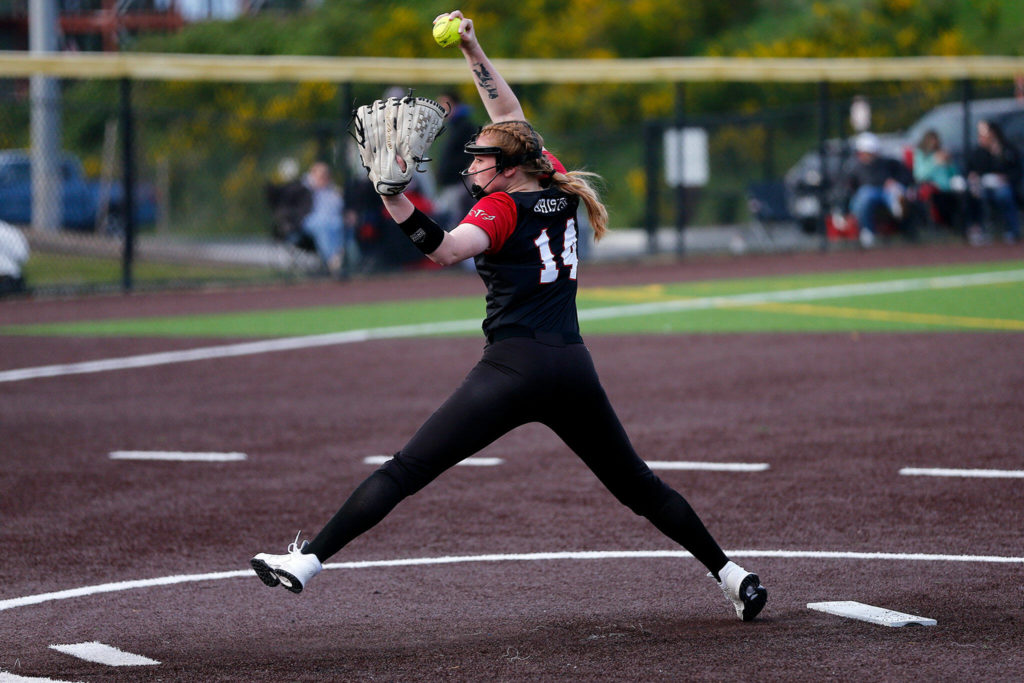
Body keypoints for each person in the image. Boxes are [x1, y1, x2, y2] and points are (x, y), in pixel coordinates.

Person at [250, 10, 768, 623]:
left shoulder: (500, 208)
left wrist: (392, 197)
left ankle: (306, 562)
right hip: (571, 366)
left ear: (508, 168)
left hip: (512, 369)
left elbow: (443, 250)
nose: (471, 165)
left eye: (480, 160)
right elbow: (509, 116)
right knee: (640, 487)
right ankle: (732, 575)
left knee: (406, 469)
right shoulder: (548, 182)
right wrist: (471, 47)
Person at [845, 131, 914, 248]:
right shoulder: (855, 168)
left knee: (895, 190)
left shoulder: (887, 162)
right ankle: (867, 230)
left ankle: (897, 207)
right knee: (865, 194)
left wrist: (895, 182)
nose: (867, 155)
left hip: (886, 192)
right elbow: (850, 188)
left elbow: (905, 175)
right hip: (867, 195)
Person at [965, 119, 1022, 245]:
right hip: (984, 186)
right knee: (975, 195)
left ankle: (1012, 230)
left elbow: (1016, 170)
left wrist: (1005, 174)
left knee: (1003, 195)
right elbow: (973, 169)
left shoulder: (1007, 148)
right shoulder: (979, 151)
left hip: (1004, 186)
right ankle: (980, 230)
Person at [435, 89, 478, 228]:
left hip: (458, 185)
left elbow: (470, 156)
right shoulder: (454, 127)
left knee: (452, 223)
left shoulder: (465, 127)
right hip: (450, 185)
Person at [300, 162, 346, 274]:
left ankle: (337, 256)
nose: (324, 178)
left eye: (326, 175)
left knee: (338, 223)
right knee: (322, 225)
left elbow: (338, 208)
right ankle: (331, 260)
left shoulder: (332, 190)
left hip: (330, 221)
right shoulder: (304, 188)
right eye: (321, 175)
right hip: (309, 221)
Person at [912, 129, 960, 229]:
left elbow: (954, 174)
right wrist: (934, 161)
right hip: (933, 188)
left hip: (948, 188)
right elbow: (919, 175)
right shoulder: (921, 154)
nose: (935, 143)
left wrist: (949, 163)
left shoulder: (941, 153)